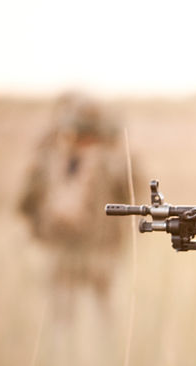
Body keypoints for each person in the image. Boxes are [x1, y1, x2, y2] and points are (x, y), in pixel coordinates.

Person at [19, 93, 132, 315]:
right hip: (85, 250)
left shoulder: (51, 158)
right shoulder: (107, 160)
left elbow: (26, 202)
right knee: (89, 313)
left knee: (73, 314)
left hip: (78, 249)